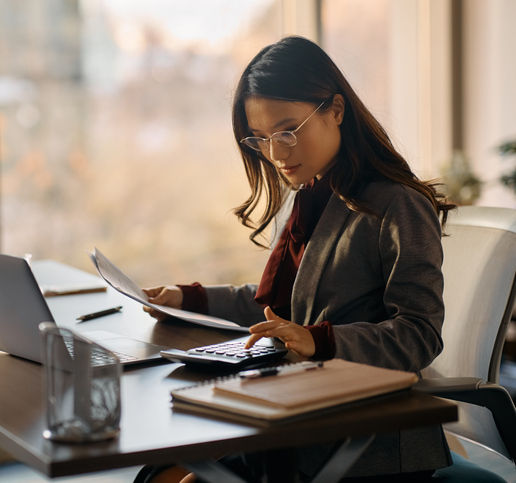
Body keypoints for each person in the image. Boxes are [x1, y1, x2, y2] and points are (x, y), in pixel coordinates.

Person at [138, 36, 455, 482]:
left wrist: (319, 341)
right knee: (163, 469)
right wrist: (188, 298)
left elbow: (419, 335)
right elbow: (280, 309)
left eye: (288, 131)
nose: (276, 153)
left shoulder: (397, 205)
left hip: (368, 437)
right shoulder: (306, 195)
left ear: (336, 111)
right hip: (296, 407)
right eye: (261, 138)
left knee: (187, 475)